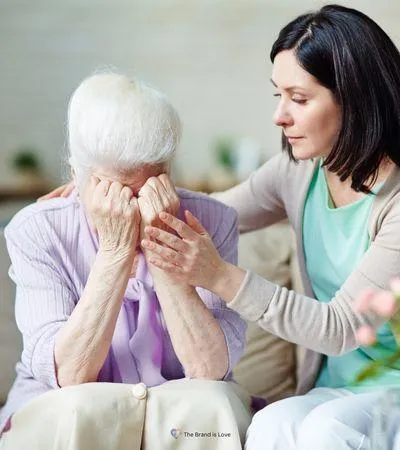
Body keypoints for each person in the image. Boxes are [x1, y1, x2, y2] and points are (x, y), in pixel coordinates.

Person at [38, 4, 400, 449]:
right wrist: (115, 191)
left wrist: (218, 276)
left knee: (326, 432)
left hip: (391, 389)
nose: (279, 116)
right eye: (277, 95)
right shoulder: (298, 173)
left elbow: (341, 328)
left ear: (357, 99)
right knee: (268, 426)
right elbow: (206, 213)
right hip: (339, 387)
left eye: (299, 99)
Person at [0, 72, 252, 450]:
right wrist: (116, 253)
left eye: (152, 185)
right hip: (66, 406)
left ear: (169, 170)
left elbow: (209, 370)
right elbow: (70, 374)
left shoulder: (213, 221)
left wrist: (163, 252)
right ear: (76, 175)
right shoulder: (37, 230)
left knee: (210, 405)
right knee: (79, 410)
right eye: (115, 189)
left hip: (179, 413)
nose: (134, 208)